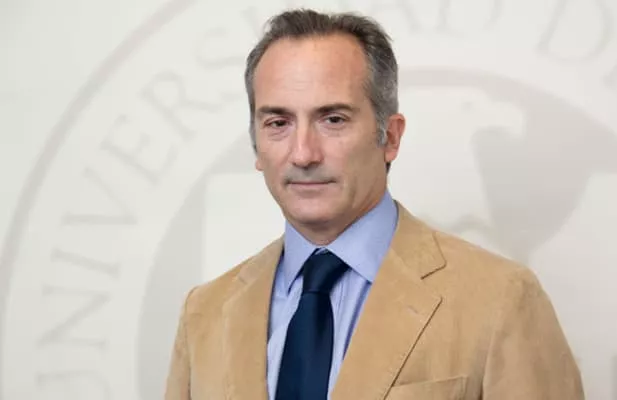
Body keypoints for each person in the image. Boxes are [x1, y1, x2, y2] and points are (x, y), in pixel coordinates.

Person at [164, 8, 584, 400]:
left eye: (333, 119)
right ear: (256, 144)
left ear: (391, 137)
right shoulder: (203, 313)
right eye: (278, 123)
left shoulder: (501, 299)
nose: (303, 153)